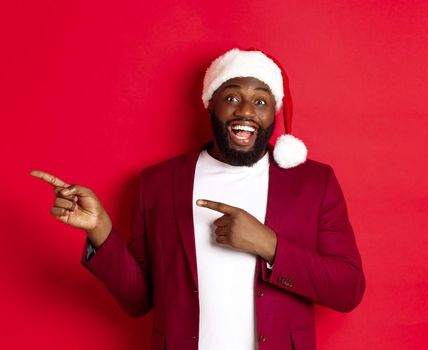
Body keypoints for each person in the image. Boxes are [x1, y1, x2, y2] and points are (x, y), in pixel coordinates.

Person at [30, 48, 365, 350]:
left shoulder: (313, 183)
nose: (246, 111)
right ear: (211, 104)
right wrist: (100, 230)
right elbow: (138, 300)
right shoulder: (158, 184)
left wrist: (269, 245)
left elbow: (347, 290)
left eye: (261, 101)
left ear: (273, 112)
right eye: (232, 98)